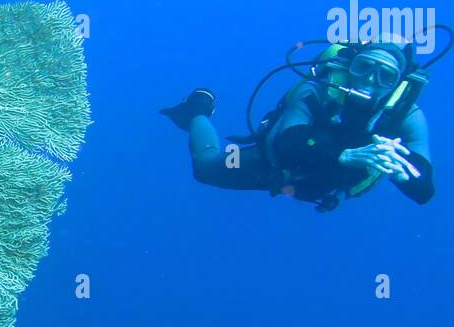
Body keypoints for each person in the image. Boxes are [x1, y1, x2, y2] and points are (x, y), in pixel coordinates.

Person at [161, 41, 434, 211]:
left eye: (385, 75)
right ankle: (197, 111)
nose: (370, 81)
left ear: (397, 84)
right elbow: (287, 143)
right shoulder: (316, 91)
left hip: (322, 188)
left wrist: (407, 177)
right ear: (351, 66)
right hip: (271, 168)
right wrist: (343, 156)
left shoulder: (406, 116)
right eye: (364, 68)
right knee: (205, 168)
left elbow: (424, 193)